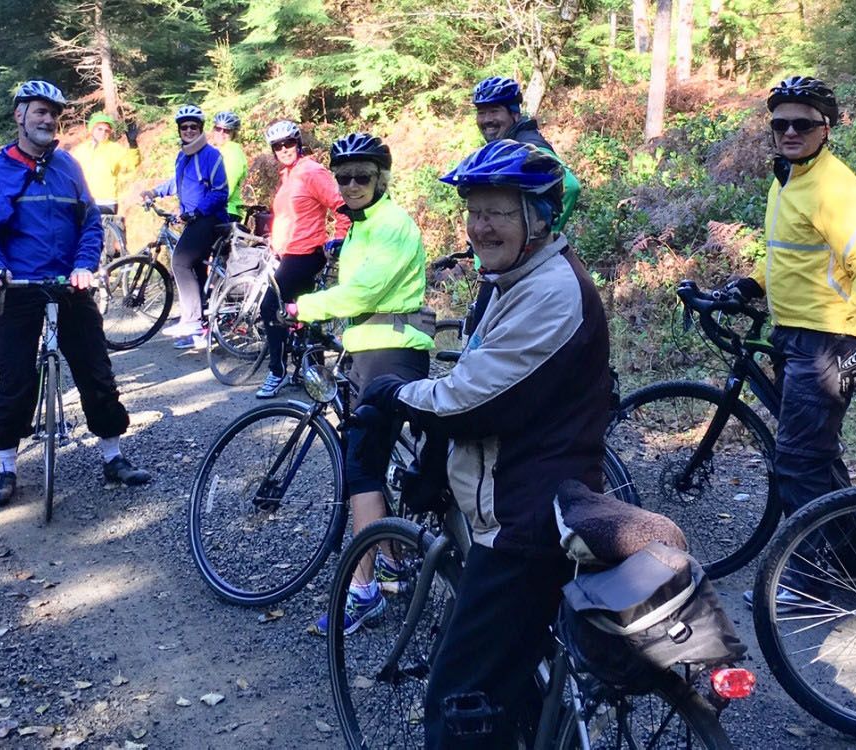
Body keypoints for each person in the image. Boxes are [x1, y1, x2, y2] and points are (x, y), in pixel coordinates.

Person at [356, 139, 613, 748]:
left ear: (539, 218)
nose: (479, 226)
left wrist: (394, 395)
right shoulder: (513, 280)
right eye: (473, 211)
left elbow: (472, 400)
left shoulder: (550, 290)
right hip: (518, 496)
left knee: (456, 698)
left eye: (497, 211)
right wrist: (436, 463)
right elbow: (486, 381)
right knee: (505, 683)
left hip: (525, 521)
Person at [721, 76, 856, 607]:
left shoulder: (835, 188)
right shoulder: (787, 178)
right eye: (780, 123)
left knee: (797, 462)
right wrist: (753, 283)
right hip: (794, 334)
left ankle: (824, 584)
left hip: (826, 340)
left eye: (803, 123)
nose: (790, 131)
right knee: (816, 459)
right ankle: (853, 572)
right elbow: (791, 256)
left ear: (825, 128)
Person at [0, 80, 151, 508]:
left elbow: (90, 222)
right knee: (16, 379)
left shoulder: (69, 166)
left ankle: (113, 456)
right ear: (19, 115)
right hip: (19, 287)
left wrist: (85, 266)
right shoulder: (1, 169)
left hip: (70, 285)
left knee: (95, 370)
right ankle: (6, 466)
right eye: (39, 111)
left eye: (53, 112)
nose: (48, 119)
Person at [286, 133, 434, 636]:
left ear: (381, 179)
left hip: (388, 355)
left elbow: (365, 290)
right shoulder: (361, 225)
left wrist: (302, 306)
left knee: (361, 470)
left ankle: (363, 592)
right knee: (369, 456)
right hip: (369, 350)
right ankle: (390, 559)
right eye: (342, 177)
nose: (350, 185)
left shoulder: (390, 224)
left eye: (361, 176)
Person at [256, 120, 350, 398]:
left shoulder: (311, 171)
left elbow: (342, 205)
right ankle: (312, 372)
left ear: (298, 143)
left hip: (306, 254)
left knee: (270, 307)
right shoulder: (289, 175)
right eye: (277, 146)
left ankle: (276, 371)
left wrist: (340, 238)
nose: (284, 149)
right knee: (304, 313)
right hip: (289, 254)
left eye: (289, 143)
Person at [145, 104, 231, 349]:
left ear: (201, 128)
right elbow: (178, 182)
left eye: (194, 126)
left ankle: (192, 320)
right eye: (185, 127)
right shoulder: (183, 155)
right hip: (193, 219)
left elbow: (220, 192)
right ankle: (201, 332)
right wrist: (155, 191)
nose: (189, 130)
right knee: (196, 270)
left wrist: (196, 212)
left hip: (210, 219)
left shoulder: (211, 155)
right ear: (179, 130)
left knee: (180, 262)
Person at [470, 76, 580, 230]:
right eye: (481, 113)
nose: (487, 119)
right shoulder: (506, 144)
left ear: (514, 114)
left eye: (494, 111)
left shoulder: (528, 146)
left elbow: (570, 186)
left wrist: (542, 235)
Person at [69, 111, 140, 218]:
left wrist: (133, 144)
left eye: (107, 130)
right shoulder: (81, 150)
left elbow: (132, 164)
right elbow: (71, 173)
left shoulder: (115, 149)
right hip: (83, 200)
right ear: (92, 129)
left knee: (105, 233)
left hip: (107, 201)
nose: (103, 132)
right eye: (99, 129)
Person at [208, 111, 248, 222]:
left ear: (234, 133)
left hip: (226, 211)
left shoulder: (233, 153)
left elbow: (227, 187)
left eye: (227, 130)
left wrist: (203, 207)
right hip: (216, 209)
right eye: (218, 128)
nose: (221, 133)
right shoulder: (220, 151)